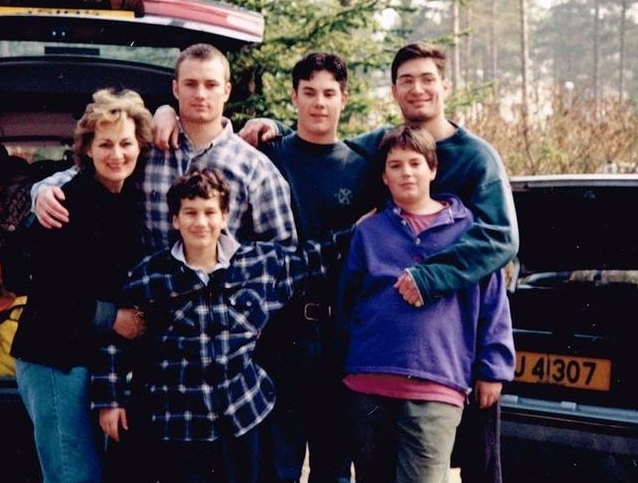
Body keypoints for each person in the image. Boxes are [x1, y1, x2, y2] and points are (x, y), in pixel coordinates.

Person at [238, 42, 519, 483]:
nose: (418, 89)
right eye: (406, 80)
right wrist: (272, 126)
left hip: (452, 346)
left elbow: (500, 240)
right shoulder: (382, 144)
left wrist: (433, 280)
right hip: (373, 357)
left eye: (427, 79)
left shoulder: (476, 157)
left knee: (477, 463)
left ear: (445, 86)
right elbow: (325, 139)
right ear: (393, 91)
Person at [152, 52, 378, 483]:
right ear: (293, 96)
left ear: (344, 99)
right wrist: (163, 111)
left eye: (329, 93)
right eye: (308, 92)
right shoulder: (269, 152)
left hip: (345, 333)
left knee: (334, 463)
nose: (319, 103)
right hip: (282, 334)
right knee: (277, 462)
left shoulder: (361, 167)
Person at [91, 168, 349, 483]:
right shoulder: (150, 276)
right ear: (175, 220)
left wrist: (362, 230)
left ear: (224, 216)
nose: (201, 222)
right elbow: (118, 341)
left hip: (242, 416)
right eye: (190, 213)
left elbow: (314, 260)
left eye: (210, 212)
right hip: (178, 422)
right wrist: (110, 400)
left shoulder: (259, 263)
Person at [337, 124, 515, 483]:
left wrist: (493, 368)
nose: (406, 173)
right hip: (368, 386)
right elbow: (346, 302)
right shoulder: (368, 232)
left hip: (435, 385)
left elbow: (493, 305)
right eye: (396, 165)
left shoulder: (468, 232)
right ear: (384, 177)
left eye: (415, 163)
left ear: (432, 169)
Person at [10, 88, 153, 483]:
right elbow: (42, 291)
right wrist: (114, 319)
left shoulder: (123, 199)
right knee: (73, 475)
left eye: (126, 143)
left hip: (87, 358)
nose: (117, 154)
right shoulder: (67, 202)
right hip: (53, 360)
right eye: (105, 144)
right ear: (87, 149)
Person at [31, 42, 297, 251]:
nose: (201, 94)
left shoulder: (255, 169)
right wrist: (43, 191)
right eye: (190, 84)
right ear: (175, 88)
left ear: (226, 91)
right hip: (148, 305)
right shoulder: (148, 150)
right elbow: (93, 171)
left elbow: (282, 253)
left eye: (211, 85)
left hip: (221, 314)